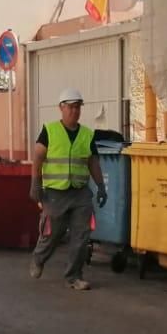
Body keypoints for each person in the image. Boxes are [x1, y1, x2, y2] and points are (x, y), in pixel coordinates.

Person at [29, 89, 108, 291]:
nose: (74, 111)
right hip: (55, 193)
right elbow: (38, 156)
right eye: (70, 107)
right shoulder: (50, 130)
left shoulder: (87, 134)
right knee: (53, 233)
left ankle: (74, 276)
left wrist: (101, 186)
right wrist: (35, 183)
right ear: (61, 108)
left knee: (81, 236)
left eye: (77, 107)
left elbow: (93, 162)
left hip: (80, 192)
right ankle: (39, 258)